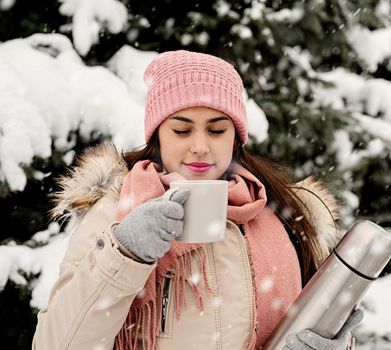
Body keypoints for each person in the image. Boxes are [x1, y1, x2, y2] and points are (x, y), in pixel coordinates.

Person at [32, 50, 362, 350]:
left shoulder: (280, 216)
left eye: (217, 130)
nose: (200, 146)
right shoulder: (117, 210)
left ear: (236, 138)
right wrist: (126, 253)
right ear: (158, 134)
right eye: (182, 130)